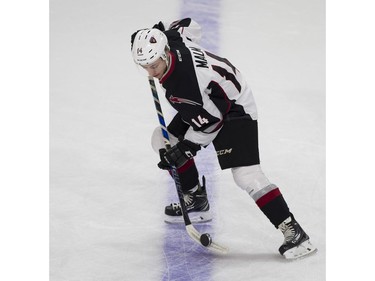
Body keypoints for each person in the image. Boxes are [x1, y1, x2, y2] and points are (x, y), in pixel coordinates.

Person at [130, 18, 317, 259]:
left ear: (165, 54)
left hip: (235, 108)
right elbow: (190, 25)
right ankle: (196, 199)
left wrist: (187, 148)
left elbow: (212, 120)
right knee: (163, 139)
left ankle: (295, 232)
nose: (150, 73)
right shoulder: (172, 40)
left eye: (153, 65)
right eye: (144, 66)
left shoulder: (184, 86)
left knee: (245, 174)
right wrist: (162, 31)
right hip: (212, 97)